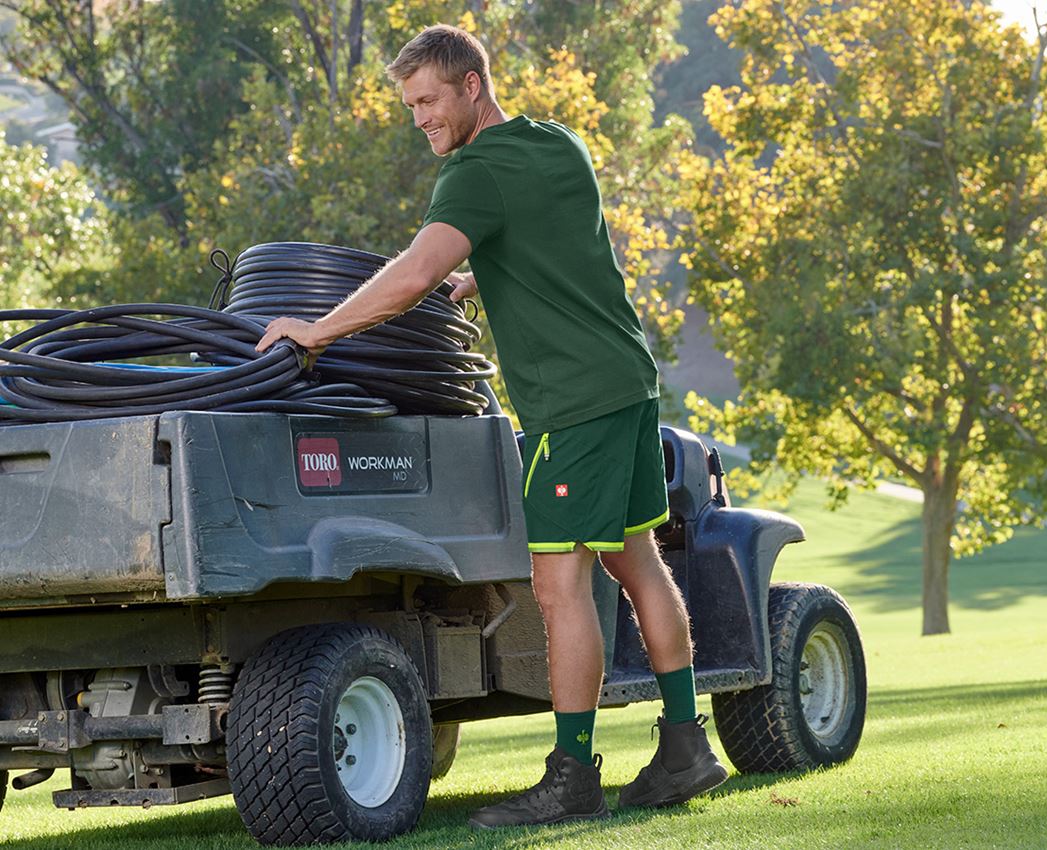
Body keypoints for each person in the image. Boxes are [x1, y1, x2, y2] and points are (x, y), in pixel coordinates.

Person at [256, 24, 728, 829]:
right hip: (624, 382)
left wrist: (316, 330)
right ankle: (686, 747)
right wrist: (486, 277)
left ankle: (572, 774)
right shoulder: (558, 145)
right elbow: (557, 247)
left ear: (472, 85)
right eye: (411, 106)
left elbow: (410, 276)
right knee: (637, 561)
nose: (421, 119)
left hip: (571, 406)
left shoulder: (475, 173)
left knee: (557, 585)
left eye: (430, 101)